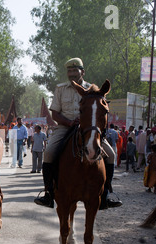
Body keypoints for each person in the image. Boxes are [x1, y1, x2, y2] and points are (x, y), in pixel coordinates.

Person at [34, 57, 122, 209]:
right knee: (48, 153)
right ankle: (48, 193)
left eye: (75, 70)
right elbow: (55, 114)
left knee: (111, 155)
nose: (72, 73)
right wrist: (68, 122)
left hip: (88, 129)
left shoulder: (92, 89)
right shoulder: (60, 89)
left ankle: (106, 194)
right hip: (65, 127)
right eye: (69, 71)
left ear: (82, 72)